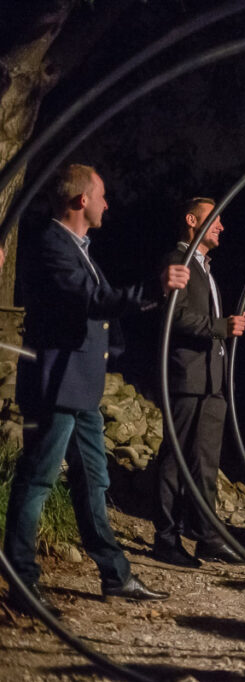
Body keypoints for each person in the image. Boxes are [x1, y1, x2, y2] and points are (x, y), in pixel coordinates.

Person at [4, 164, 188, 617]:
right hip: (57, 383)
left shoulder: (77, 246)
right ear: (81, 201)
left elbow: (99, 301)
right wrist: (153, 286)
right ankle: (22, 580)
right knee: (38, 479)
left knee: (93, 480)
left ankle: (115, 574)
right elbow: (90, 299)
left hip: (79, 385)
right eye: (102, 196)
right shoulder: (50, 244)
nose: (108, 204)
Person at [151, 197, 245, 568]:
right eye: (214, 219)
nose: (221, 226)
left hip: (211, 381)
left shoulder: (205, 268)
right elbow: (177, 317)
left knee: (205, 462)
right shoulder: (178, 262)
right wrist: (222, 328)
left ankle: (206, 535)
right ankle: (165, 537)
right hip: (187, 378)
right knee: (174, 460)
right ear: (192, 221)